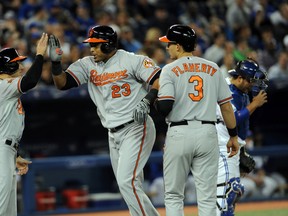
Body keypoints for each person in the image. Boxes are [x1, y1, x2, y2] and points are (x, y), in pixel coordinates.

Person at [48, 25, 161, 216]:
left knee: (127, 182)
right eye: (91, 44)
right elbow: (62, 83)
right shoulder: (87, 64)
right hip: (112, 133)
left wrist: (147, 100)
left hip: (135, 127)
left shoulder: (132, 60)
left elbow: (160, 80)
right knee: (130, 186)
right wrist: (56, 63)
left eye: (96, 44)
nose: (91, 49)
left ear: (108, 45)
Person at [155, 24, 239, 216]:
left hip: (179, 131)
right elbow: (226, 107)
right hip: (208, 133)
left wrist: (153, 97)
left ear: (178, 46)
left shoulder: (168, 69)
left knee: (174, 195)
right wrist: (233, 136)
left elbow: (165, 107)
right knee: (208, 197)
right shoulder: (213, 68)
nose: (166, 48)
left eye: (169, 44)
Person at [0, 33, 48, 216]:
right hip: (2, 150)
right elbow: (30, 81)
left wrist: (15, 154)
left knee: (9, 211)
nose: (21, 66)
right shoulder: (4, 85)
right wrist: (40, 55)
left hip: (7, 150)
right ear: (8, 65)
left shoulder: (7, 89)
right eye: (17, 62)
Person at [215, 58, 269, 216]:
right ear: (240, 78)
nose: (254, 85)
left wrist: (242, 148)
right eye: (251, 81)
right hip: (222, 143)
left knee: (231, 194)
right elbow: (233, 119)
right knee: (228, 193)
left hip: (231, 144)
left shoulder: (241, 91)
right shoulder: (226, 88)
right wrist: (255, 104)